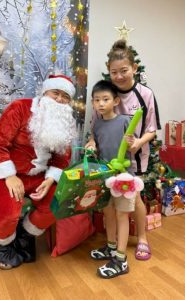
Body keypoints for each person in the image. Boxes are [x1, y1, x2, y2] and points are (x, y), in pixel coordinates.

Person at [0, 74, 77, 270]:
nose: (60, 99)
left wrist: (51, 179)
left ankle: (25, 234)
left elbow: (62, 158)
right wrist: (9, 175)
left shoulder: (64, 122)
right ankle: (5, 245)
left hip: (40, 177)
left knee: (59, 202)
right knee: (7, 213)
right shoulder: (20, 108)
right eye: (56, 93)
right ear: (45, 92)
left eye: (65, 96)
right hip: (7, 175)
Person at [86, 39, 161, 261]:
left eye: (124, 71)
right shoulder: (105, 93)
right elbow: (95, 129)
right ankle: (113, 243)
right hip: (109, 161)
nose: (119, 76)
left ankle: (142, 239)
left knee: (135, 199)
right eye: (114, 72)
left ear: (134, 69)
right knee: (111, 203)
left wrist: (138, 143)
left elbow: (152, 129)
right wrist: (91, 142)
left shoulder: (145, 94)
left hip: (135, 158)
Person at [88, 80, 135, 279]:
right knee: (108, 214)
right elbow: (96, 143)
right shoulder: (97, 123)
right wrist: (91, 142)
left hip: (124, 178)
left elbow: (133, 146)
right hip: (105, 176)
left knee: (122, 215)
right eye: (96, 100)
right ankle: (111, 247)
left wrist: (132, 142)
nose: (101, 103)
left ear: (115, 101)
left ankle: (121, 259)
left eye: (105, 99)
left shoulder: (125, 120)